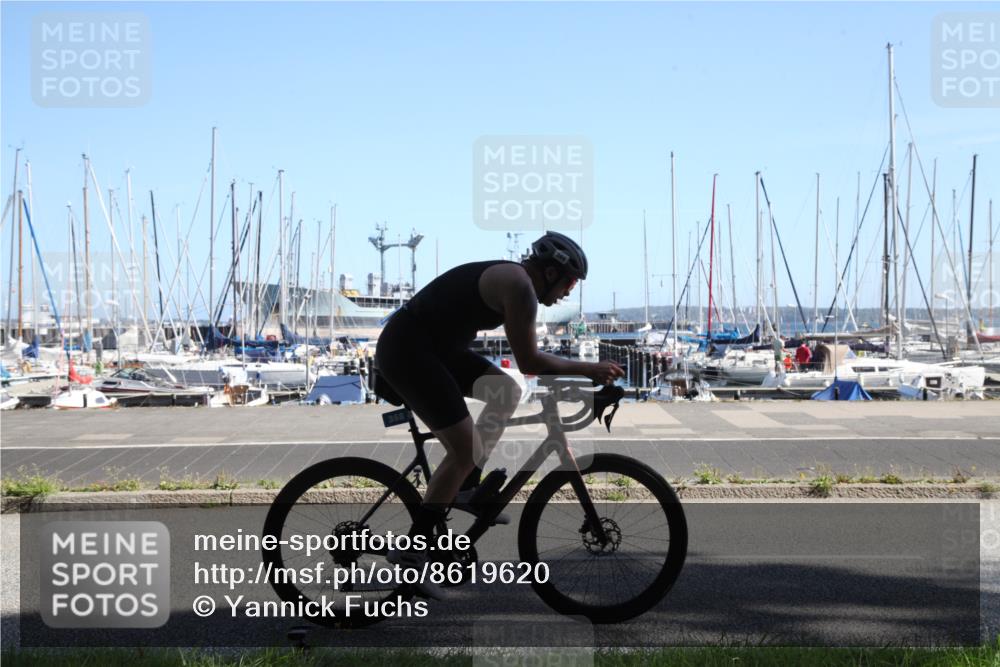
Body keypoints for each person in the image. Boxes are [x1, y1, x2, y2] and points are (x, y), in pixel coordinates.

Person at [375, 231, 624, 598]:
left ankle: (466, 487)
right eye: (570, 281)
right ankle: (413, 553)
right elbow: (530, 361)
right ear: (552, 273)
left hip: (435, 349)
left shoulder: (517, 280)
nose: (569, 292)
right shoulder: (519, 288)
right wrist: (588, 369)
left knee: (506, 390)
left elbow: (524, 369)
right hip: (409, 350)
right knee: (463, 449)